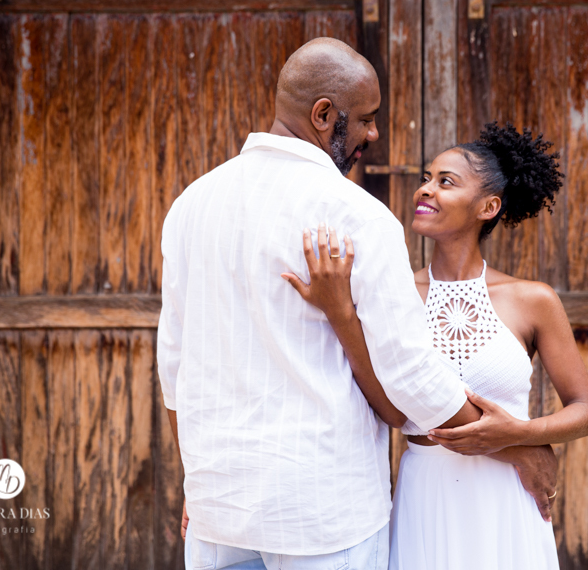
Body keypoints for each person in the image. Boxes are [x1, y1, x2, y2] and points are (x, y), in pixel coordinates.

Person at [157, 38, 557, 570]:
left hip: (218, 513)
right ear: (324, 115)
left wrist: (200, 481)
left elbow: (175, 365)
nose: (375, 133)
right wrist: (514, 446)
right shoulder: (355, 215)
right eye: (367, 119)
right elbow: (411, 373)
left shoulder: (191, 205)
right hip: (322, 518)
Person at [285, 122, 588, 570]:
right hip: (425, 496)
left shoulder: (533, 300)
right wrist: (341, 314)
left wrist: (520, 436)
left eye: (445, 182)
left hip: (507, 500)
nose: (425, 190)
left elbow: (586, 411)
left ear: (488, 206)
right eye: (426, 179)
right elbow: (391, 410)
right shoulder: (395, 295)